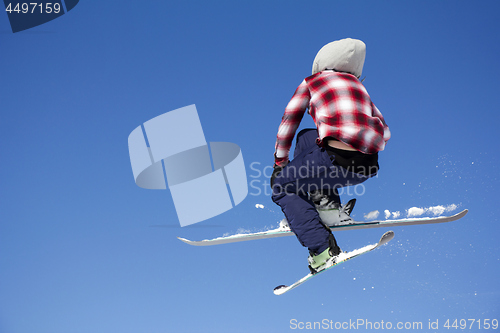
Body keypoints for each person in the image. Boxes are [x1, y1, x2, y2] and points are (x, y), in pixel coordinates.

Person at [271, 38, 391, 273]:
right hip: (368, 164)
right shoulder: (360, 88)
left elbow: (289, 121)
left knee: (282, 186)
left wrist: (280, 162)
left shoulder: (312, 82)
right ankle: (327, 208)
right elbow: (384, 130)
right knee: (307, 137)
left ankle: (322, 250)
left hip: (334, 159)